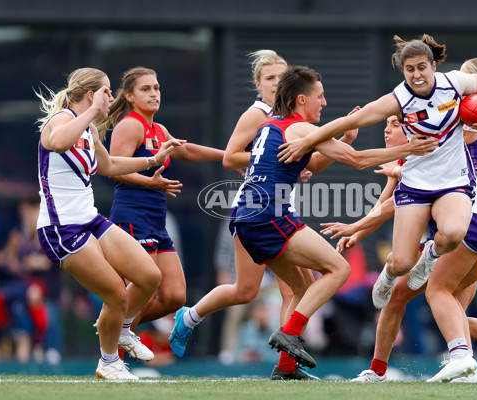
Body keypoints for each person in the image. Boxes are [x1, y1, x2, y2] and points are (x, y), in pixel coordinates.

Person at [277, 34, 477, 379]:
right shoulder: (398, 99)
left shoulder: (454, 83)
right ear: (404, 71)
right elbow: (350, 123)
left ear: (434, 66)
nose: (416, 74)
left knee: (454, 233)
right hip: (415, 187)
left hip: (452, 184)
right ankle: (389, 275)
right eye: (410, 69)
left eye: (422, 67)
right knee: (400, 263)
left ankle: (428, 260)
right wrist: (308, 138)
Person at [326, 58, 477, 383]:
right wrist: (359, 228)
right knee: (435, 305)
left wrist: (394, 165)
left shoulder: (463, 121)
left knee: (437, 293)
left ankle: (464, 358)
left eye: (465, 79)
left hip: (474, 217)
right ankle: (384, 371)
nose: (456, 85)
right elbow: (388, 202)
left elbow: (387, 185)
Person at [230, 64, 438, 375]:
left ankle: (286, 367)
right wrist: (411, 148)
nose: (324, 103)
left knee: (302, 290)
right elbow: (357, 162)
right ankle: (289, 334)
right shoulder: (299, 128)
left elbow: (314, 161)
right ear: (302, 100)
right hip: (269, 213)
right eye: (320, 96)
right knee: (338, 269)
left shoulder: (270, 125)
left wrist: (346, 137)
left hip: (246, 215)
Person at [169, 50, 349, 381]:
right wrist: (266, 157)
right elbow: (229, 157)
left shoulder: (292, 119)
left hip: (279, 208)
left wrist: (302, 157)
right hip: (257, 209)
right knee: (246, 291)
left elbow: (311, 164)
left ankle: (286, 366)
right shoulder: (258, 115)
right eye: (269, 78)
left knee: (289, 289)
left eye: (281, 77)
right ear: (258, 84)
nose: (276, 83)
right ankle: (190, 317)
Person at [34, 67, 181, 380]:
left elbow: (110, 164)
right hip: (62, 229)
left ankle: (124, 329)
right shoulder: (62, 119)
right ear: (91, 95)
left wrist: (153, 161)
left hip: (89, 219)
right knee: (117, 294)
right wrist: (92, 113)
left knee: (149, 276)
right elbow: (58, 142)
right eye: (107, 91)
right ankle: (109, 363)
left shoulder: (87, 130)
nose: (111, 97)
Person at [99, 66, 224, 343]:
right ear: (130, 96)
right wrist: (150, 183)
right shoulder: (130, 124)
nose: (154, 93)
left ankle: (117, 327)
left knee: (174, 297)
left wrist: (231, 157)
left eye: (156, 88)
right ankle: (112, 354)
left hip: (156, 220)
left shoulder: (158, 128)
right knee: (145, 293)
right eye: (146, 89)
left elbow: (186, 149)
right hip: (133, 215)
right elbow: (113, 169)